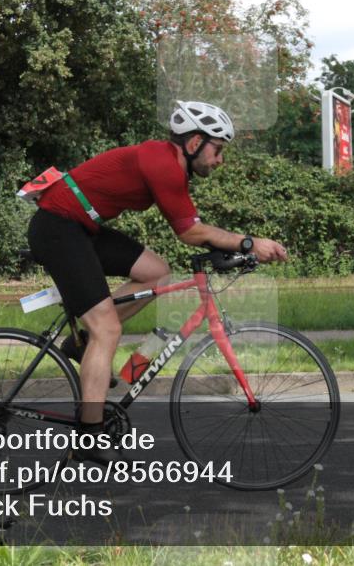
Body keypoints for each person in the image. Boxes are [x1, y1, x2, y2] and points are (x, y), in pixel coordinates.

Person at [26, 101, 288, 464]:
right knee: (108, 330)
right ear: (195, 142)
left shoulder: (169, 165)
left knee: (156, 271)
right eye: (218, 150)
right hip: (58, 227)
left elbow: (194, 230)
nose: (220, 160)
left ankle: (82, 343)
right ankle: (89, 437)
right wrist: (248, 242)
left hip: (79, 227)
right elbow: (190, 231)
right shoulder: (163, 164)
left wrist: (230, 246)